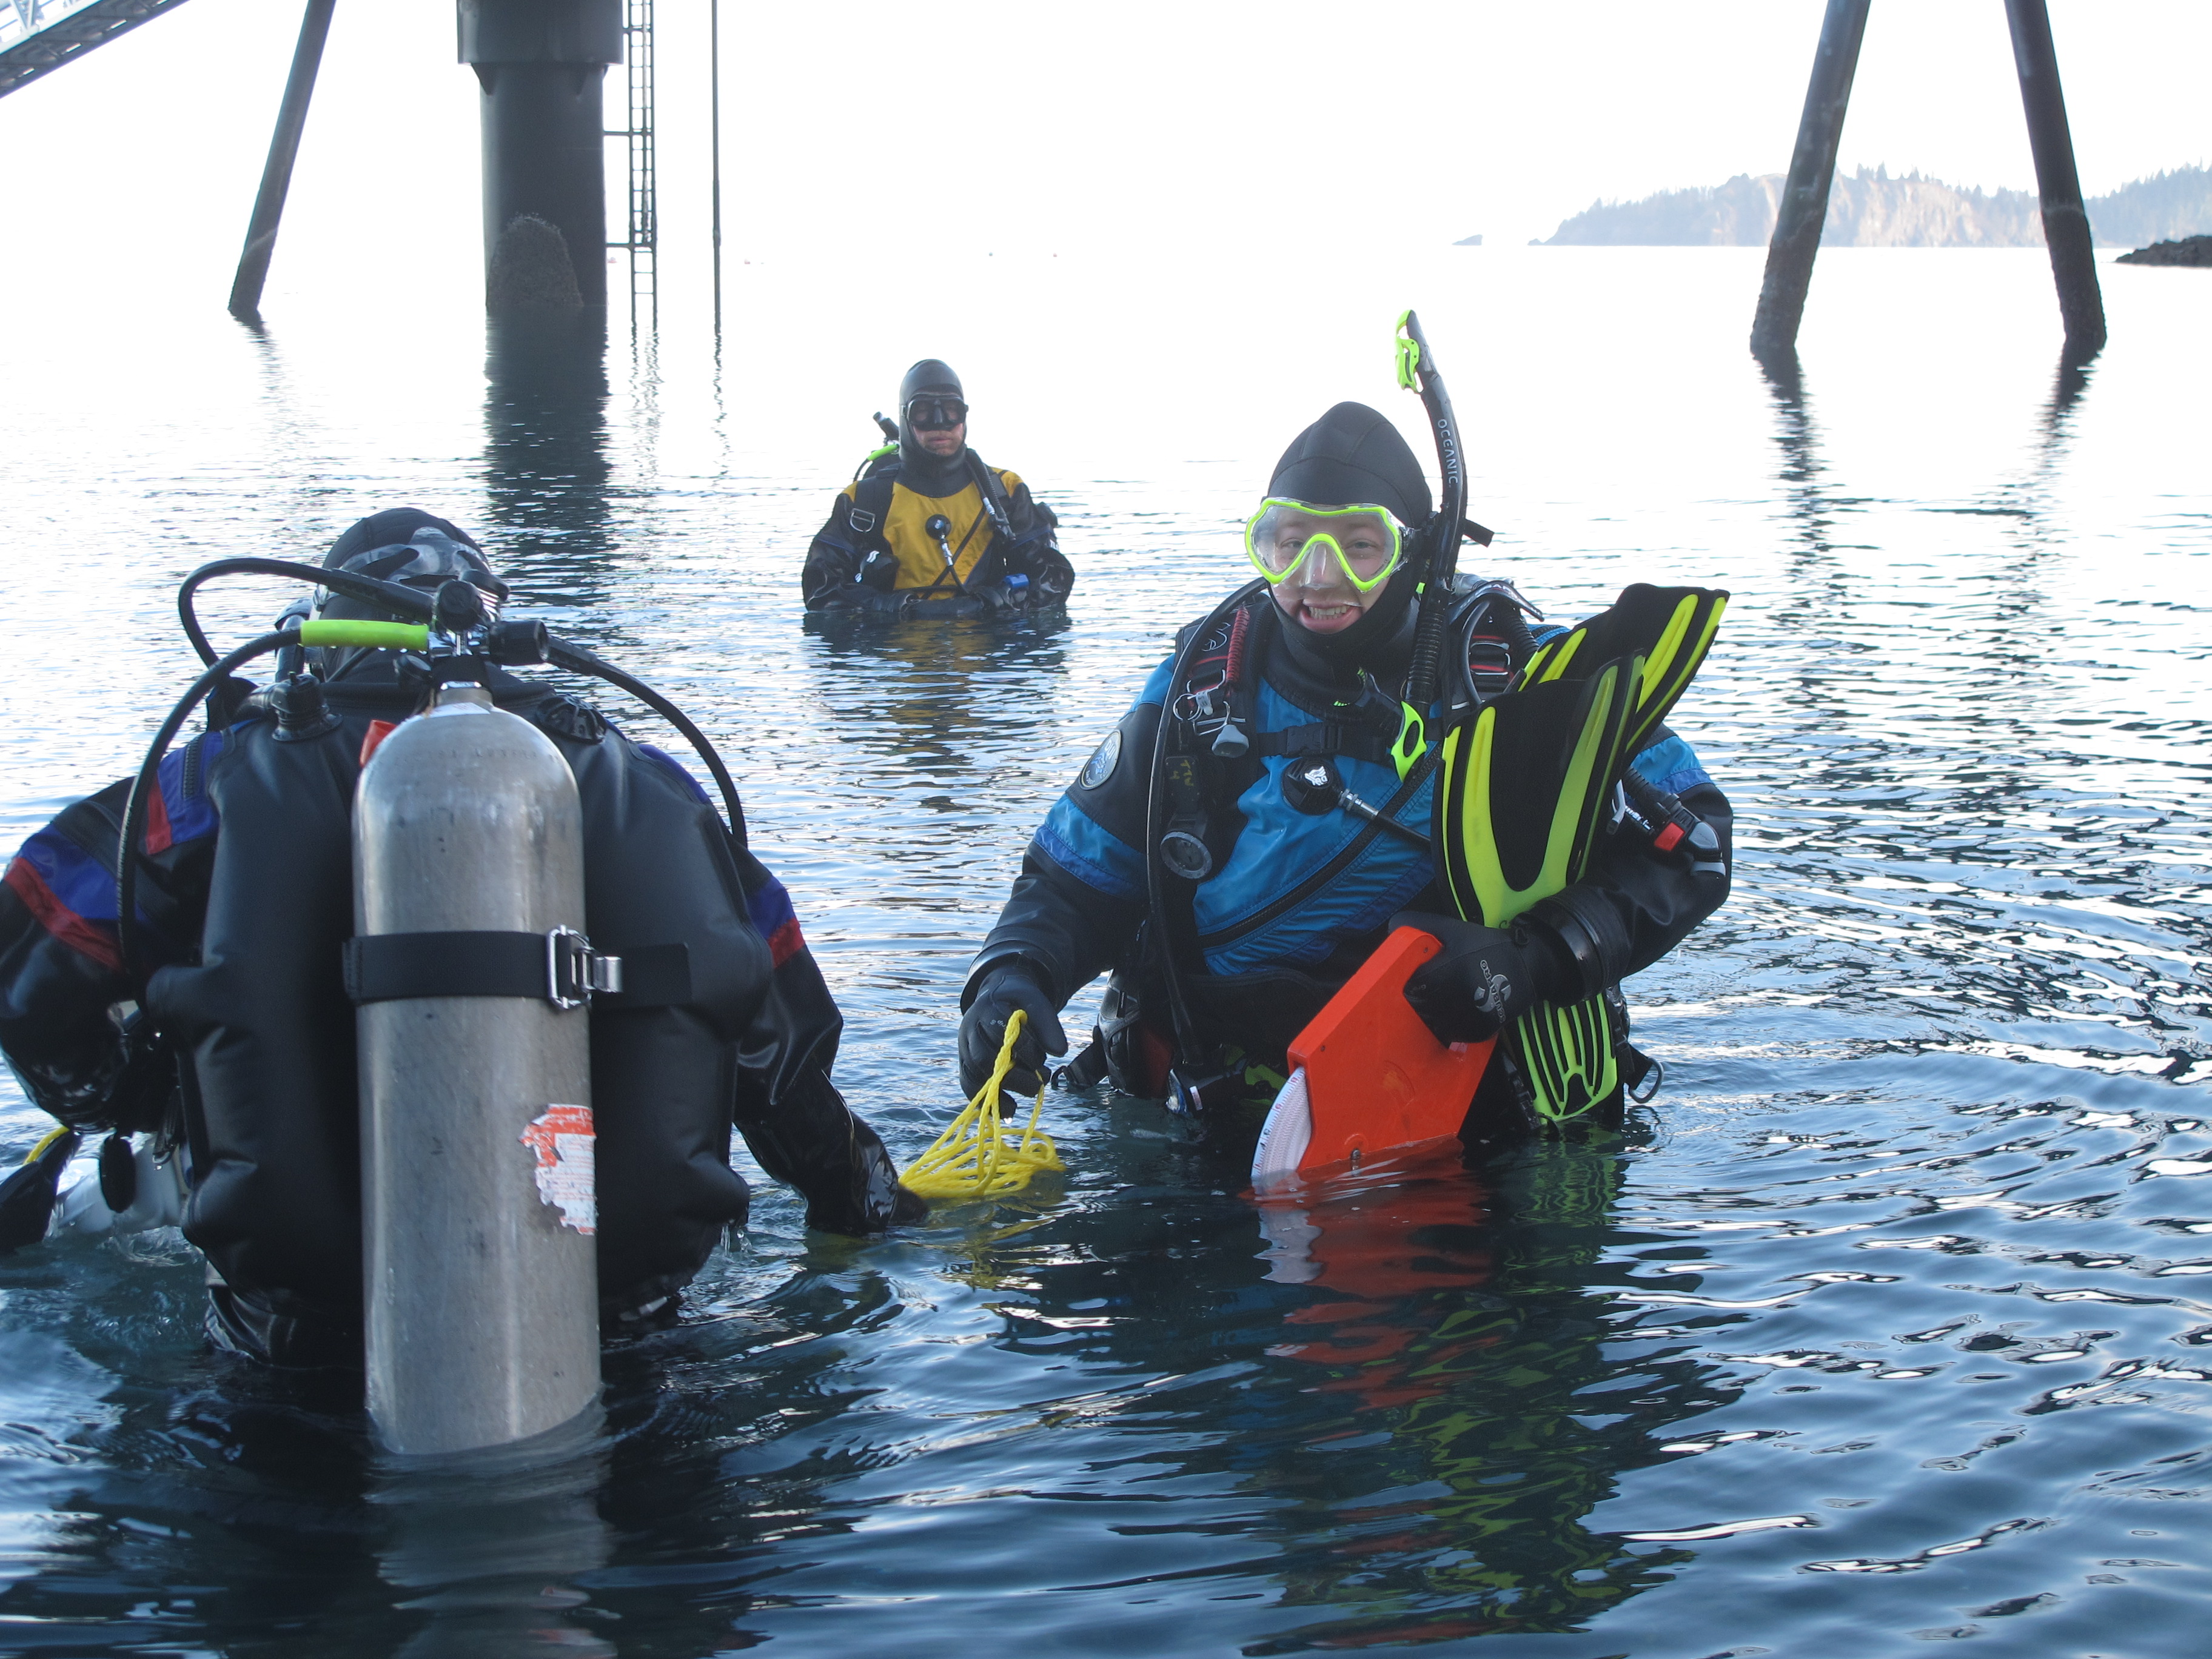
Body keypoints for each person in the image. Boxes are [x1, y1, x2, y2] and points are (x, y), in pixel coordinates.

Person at [0, 508, 924, 1366]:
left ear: (324, 630)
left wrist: (141, 1094)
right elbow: (781, 1049)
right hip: (620, 1341)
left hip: (295, 1347)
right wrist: (863, 1197)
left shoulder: (205, 786)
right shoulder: (639, 782)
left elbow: (31, 977)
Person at [956, 402, 1733, 1141]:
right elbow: (1077, 876)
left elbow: (1697, 844)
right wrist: (1014, 974)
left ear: (1416, 552)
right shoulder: (1204, 684)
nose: (1318, 576)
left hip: (1468, 1122)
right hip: (1211, 1112)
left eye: (1360, 546)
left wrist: (1539, 959)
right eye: (1288, 543)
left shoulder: (1521, 679)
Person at [801, 359, 1073, 616]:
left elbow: (1052, 579)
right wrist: (885, 606)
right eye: (923, 411)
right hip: (893, 643)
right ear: (905, 418)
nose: (940, 422)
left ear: (965, 416)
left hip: (989, 638)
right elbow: (821, 590)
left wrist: (997, 601)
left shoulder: (1005, 491)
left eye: (952, 410)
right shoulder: (864, 500)